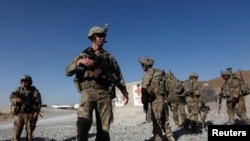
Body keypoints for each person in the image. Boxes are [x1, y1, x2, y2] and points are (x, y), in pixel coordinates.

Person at [65, 24, 129, 141]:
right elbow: (67, 71)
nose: (102, 38)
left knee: (104, 129)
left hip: (105, 93)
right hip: (88, 92)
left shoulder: (109, 57)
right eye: (99, 36)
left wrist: (124, 92)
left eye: (103, 36)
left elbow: (118, 76)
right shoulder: (83, 55)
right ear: (93, 38)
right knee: (83, 125)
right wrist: (80, 62)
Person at [139, 57, 175, 141]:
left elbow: (144, 88)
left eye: (142, 65)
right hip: (163, 99)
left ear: (145, 65)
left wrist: (144, 102)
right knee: (164, 119)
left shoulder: (148, 73)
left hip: (155, 101)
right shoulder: (160, 72)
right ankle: (170, 136)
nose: (141, 67)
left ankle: (158, 138)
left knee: (156, 121)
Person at [9, 75, 42, 141]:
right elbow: (10, 99)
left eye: (26, 81)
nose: (24, 82)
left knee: (29, 134)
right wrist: (16, 100)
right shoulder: (18, 90)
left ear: (29, 82)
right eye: (22, 81)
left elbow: (39, 102)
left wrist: (36, 112)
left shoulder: (34, 91)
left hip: (30, 114)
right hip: (19, 114)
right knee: (16, 133)